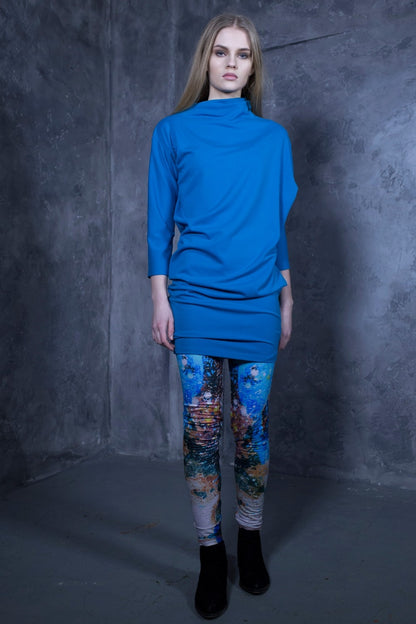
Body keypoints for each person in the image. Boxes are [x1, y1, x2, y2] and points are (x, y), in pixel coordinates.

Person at [147, 13, 297, 619]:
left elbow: (275, 226)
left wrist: (287, 298)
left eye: (243, 54)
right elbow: (158, 225)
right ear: (205, 60)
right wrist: (159, 299)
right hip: (195, 300)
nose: (231, 63)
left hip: (258, 299)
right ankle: (211, 554)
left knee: (251, 431)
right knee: (202, 432)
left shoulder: (273, 139)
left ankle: (249, 538)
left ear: (253, 66)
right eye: (221, 51)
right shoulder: (172, 132)